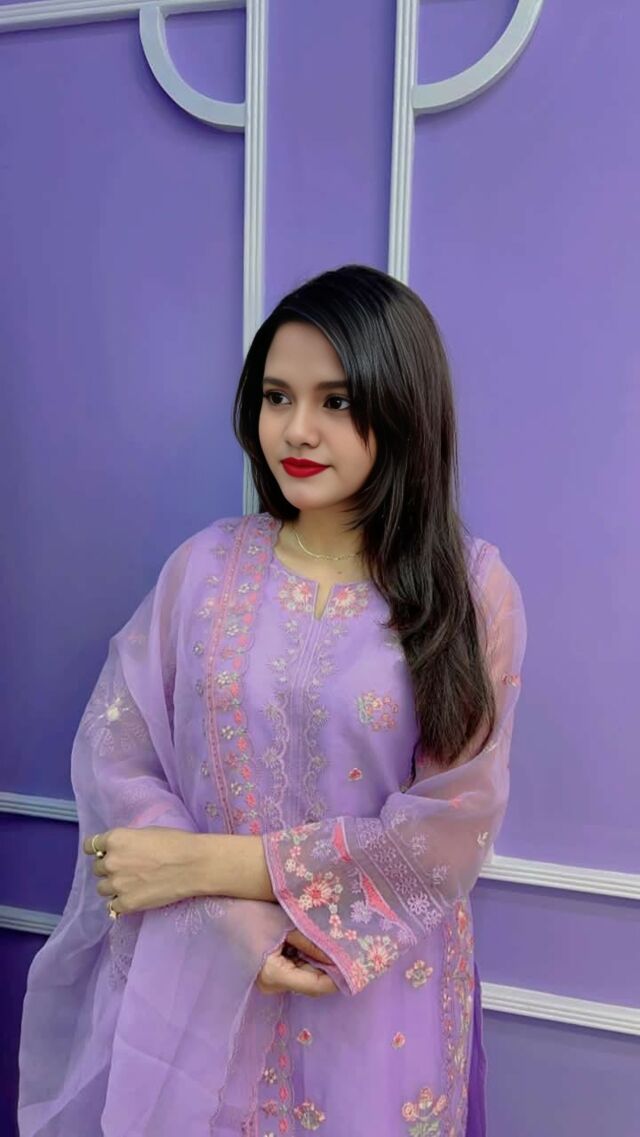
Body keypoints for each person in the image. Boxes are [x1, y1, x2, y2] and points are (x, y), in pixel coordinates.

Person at [17, 264, 527, 1136]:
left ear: (402, 407)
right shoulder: (205, 568)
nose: (296, 429)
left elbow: (444, 835)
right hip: (209, 984)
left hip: (373, 1008)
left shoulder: (472, 592)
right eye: (277, 396)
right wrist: (227, 922)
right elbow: (117, 749)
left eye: (336, 400)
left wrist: (201, 866)